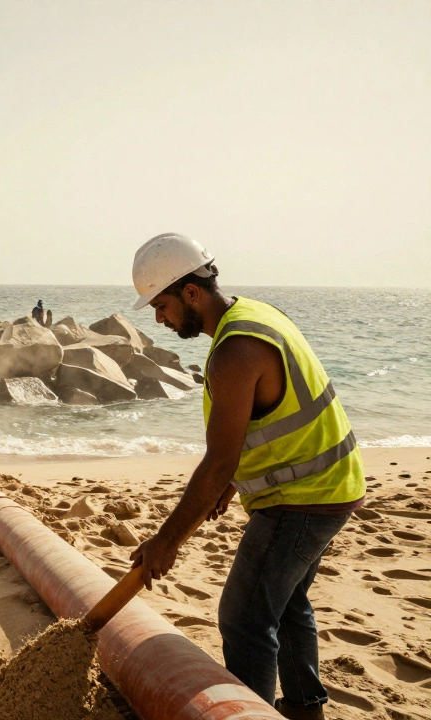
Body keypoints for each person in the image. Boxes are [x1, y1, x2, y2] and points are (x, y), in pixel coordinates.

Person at [127, 233, 365, 720]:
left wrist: (166, 540)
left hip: (302, 499)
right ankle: (302, 708)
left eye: (162, 305)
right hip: (333, 485)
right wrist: (233, 483)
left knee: (245, 617)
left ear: (191, 292)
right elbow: (271, 416)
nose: (158, 318)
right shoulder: (257, 314)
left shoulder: (235, 352)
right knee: (287, 600)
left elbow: (217, 462)